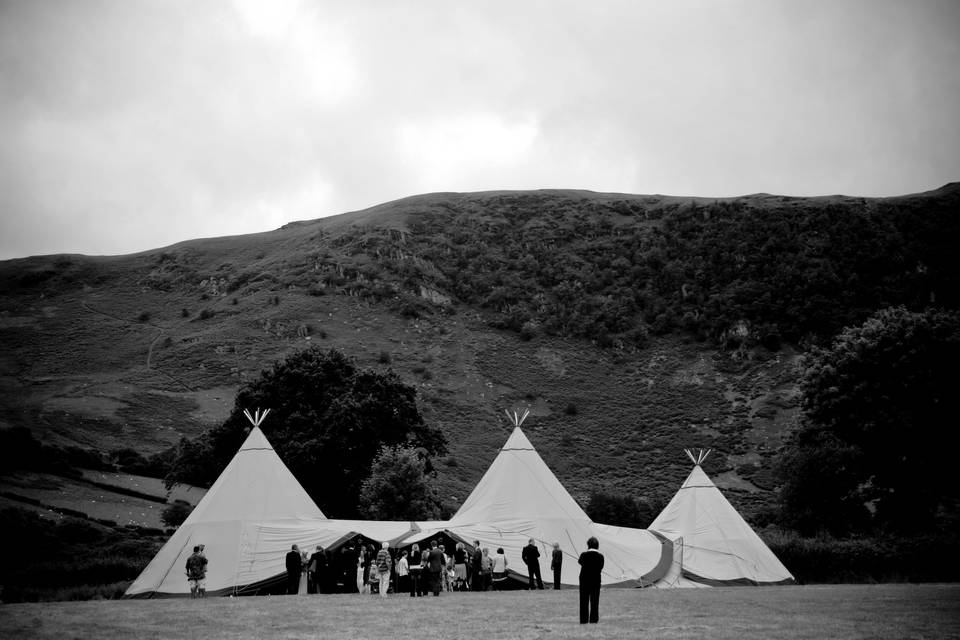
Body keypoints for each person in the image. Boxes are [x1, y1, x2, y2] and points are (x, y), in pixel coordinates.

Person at [578, 536, 604, 624]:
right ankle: (593, 619)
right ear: (597, 546)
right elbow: (601, 567)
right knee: (595, 601)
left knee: (583, 600)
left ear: (588, 545)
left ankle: (584, 620)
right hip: (595, 581)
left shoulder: (583, 555)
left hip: (584, 580)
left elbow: (580, 562)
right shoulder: (601, 556)